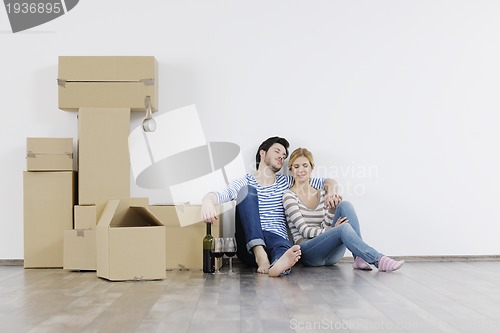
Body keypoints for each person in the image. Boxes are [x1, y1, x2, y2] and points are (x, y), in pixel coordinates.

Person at [201, 137, 338, 277]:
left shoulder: (287, 182)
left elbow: (326, 182)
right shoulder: (245, 181)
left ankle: (278, 265)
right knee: (247, 191)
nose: (281, 157)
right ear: (262, 153)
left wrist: (332, 191)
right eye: (277, 151)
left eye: (284, 156)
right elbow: (220, 195)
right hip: (249, 244)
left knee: (283, 247)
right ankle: (259, 252)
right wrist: (207, 201)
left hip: (276, 238)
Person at [283, 148, 404, 272]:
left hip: (331, 257)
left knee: (345, 205)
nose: (301, 170)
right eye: (296, 166)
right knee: (343, 228)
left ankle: (358, 257)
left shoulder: (322, 193)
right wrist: (333, 230)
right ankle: (378, 259)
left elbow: (325, 225)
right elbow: (305, 231)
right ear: (291, 170)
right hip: (308, 253)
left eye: (305, 165)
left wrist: (331, 210)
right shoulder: (289, 195)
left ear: (311, 168)